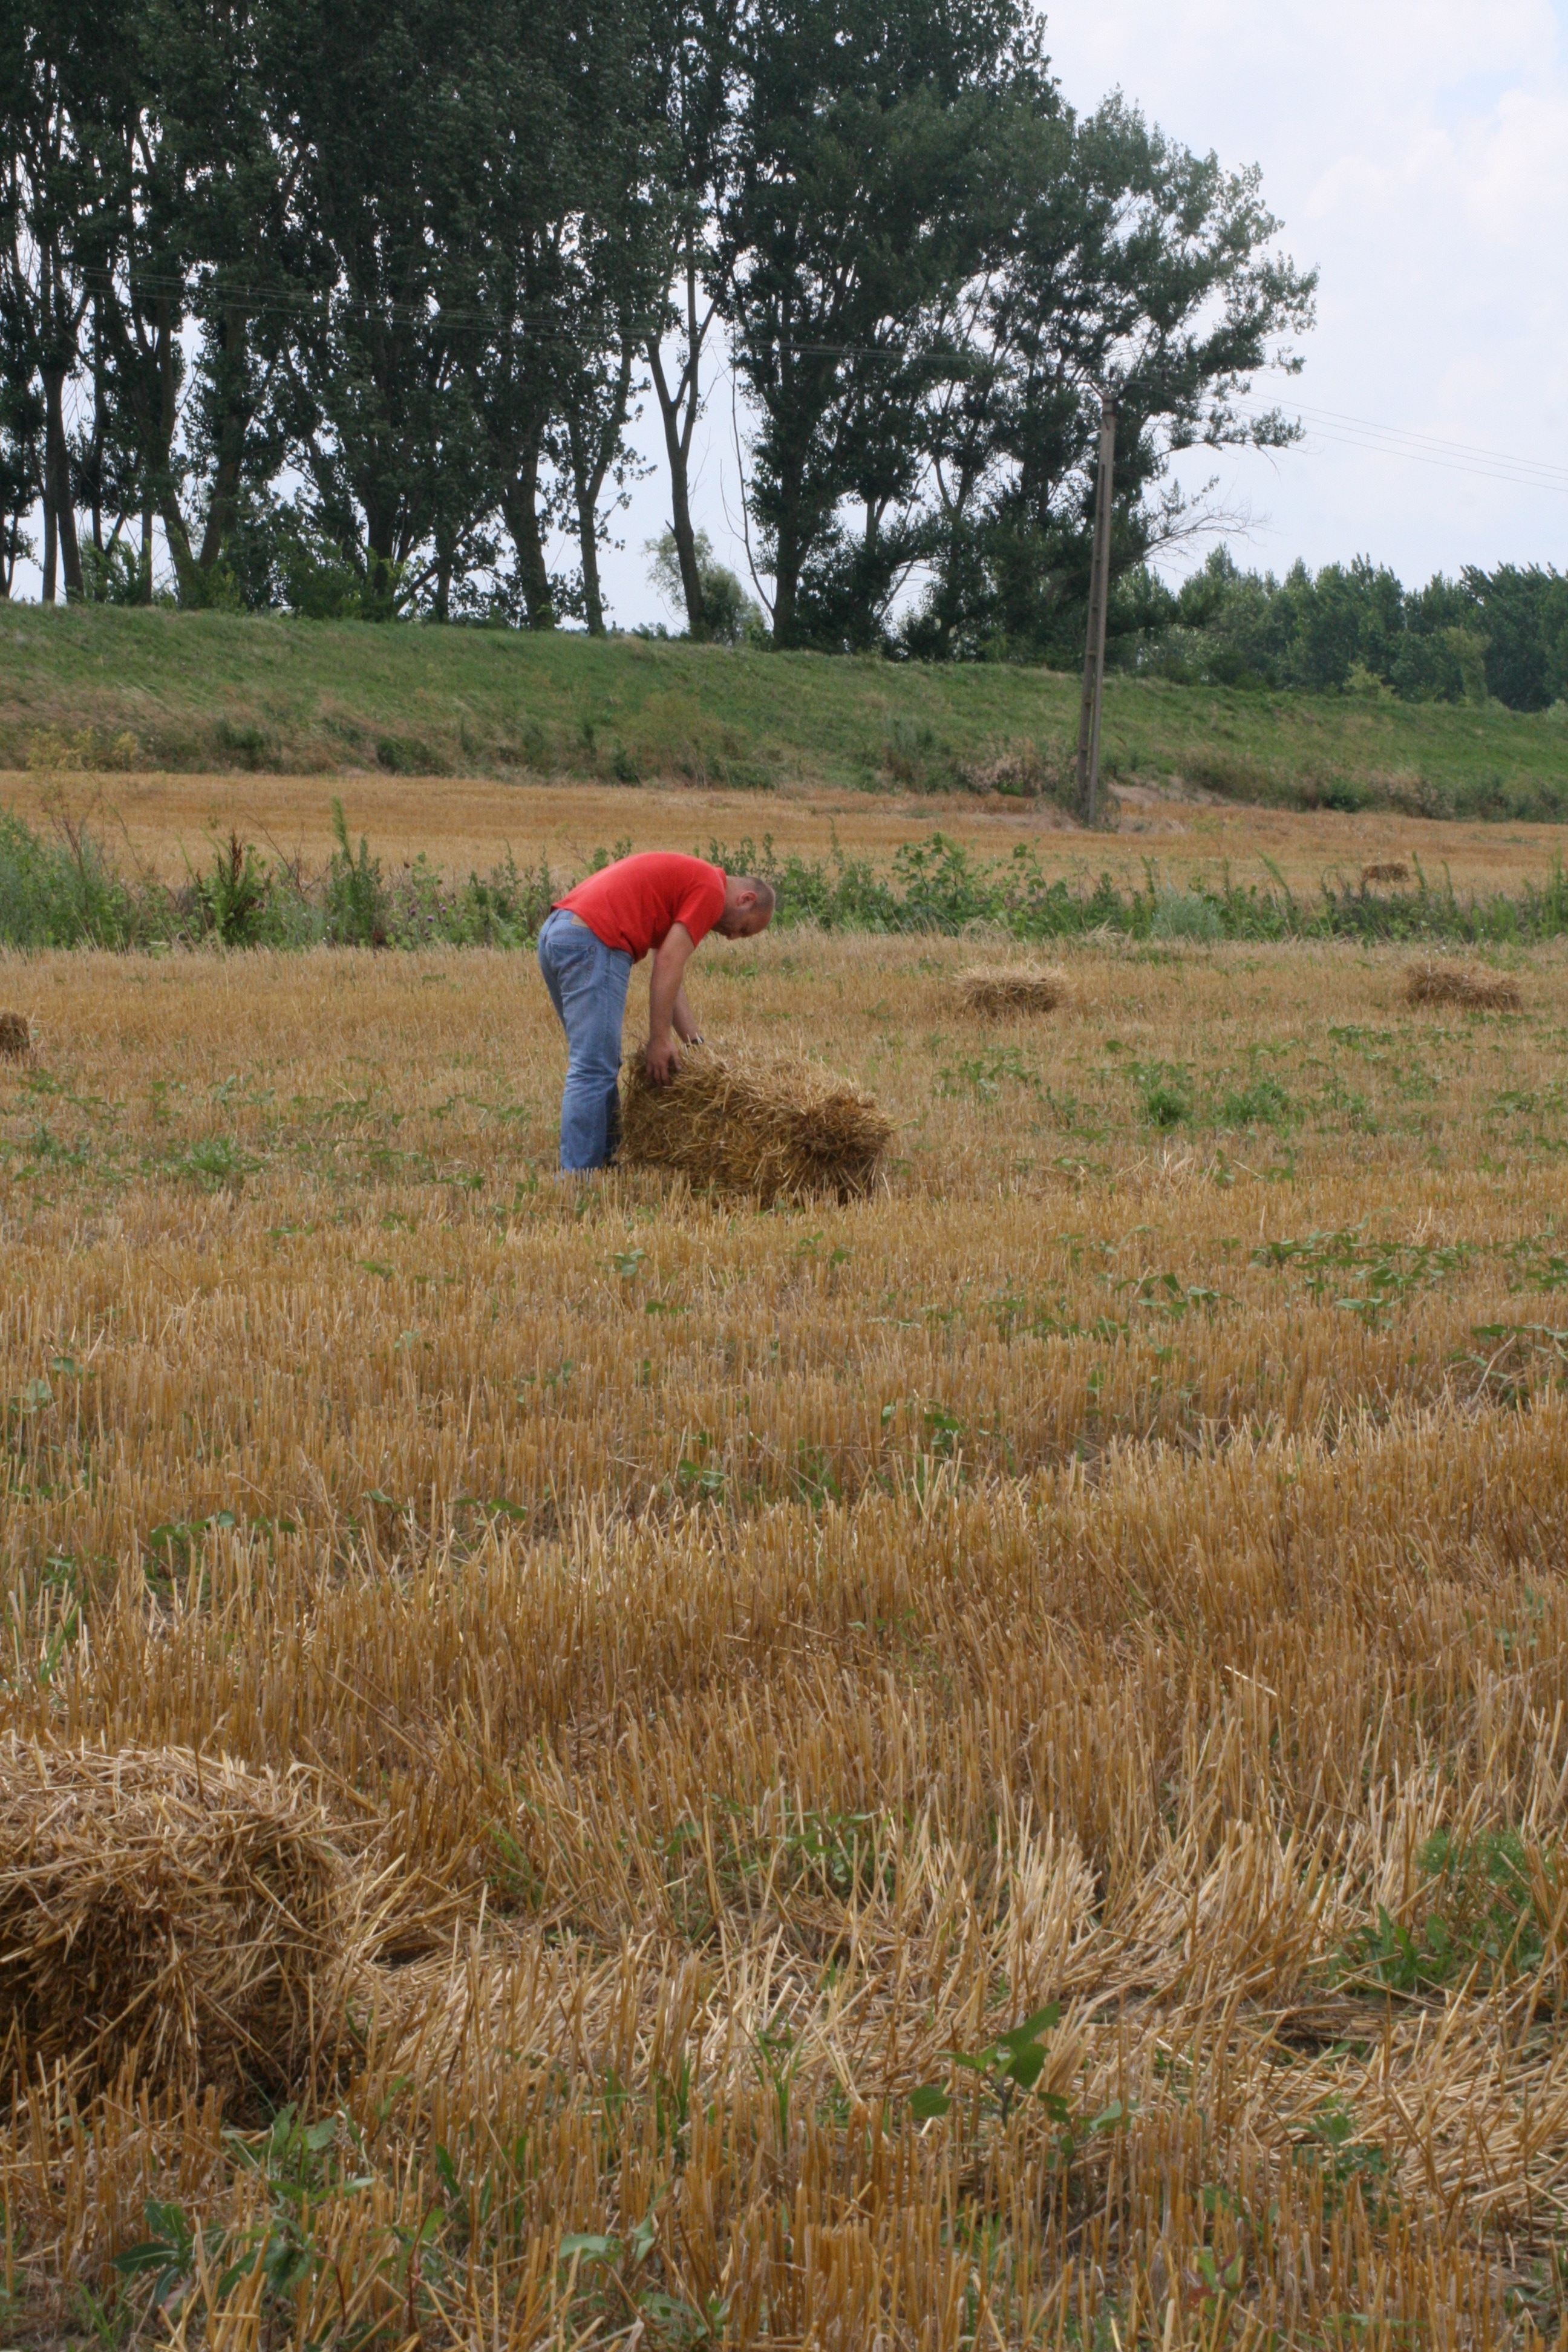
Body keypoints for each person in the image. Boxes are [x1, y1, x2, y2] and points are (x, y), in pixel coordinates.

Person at [536, 851, 775, 1172]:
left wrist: (696, 1046)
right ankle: (579, 1179)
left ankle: (605, 1164)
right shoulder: (711, 891)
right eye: (744, 930)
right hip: (594, 938)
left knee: (598, 1061)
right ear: (746, 899)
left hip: (559, 931)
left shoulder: (694, 880)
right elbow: (668, 962)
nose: (733, 937)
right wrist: (660, 1040)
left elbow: (670, 975)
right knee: (592, 1067)